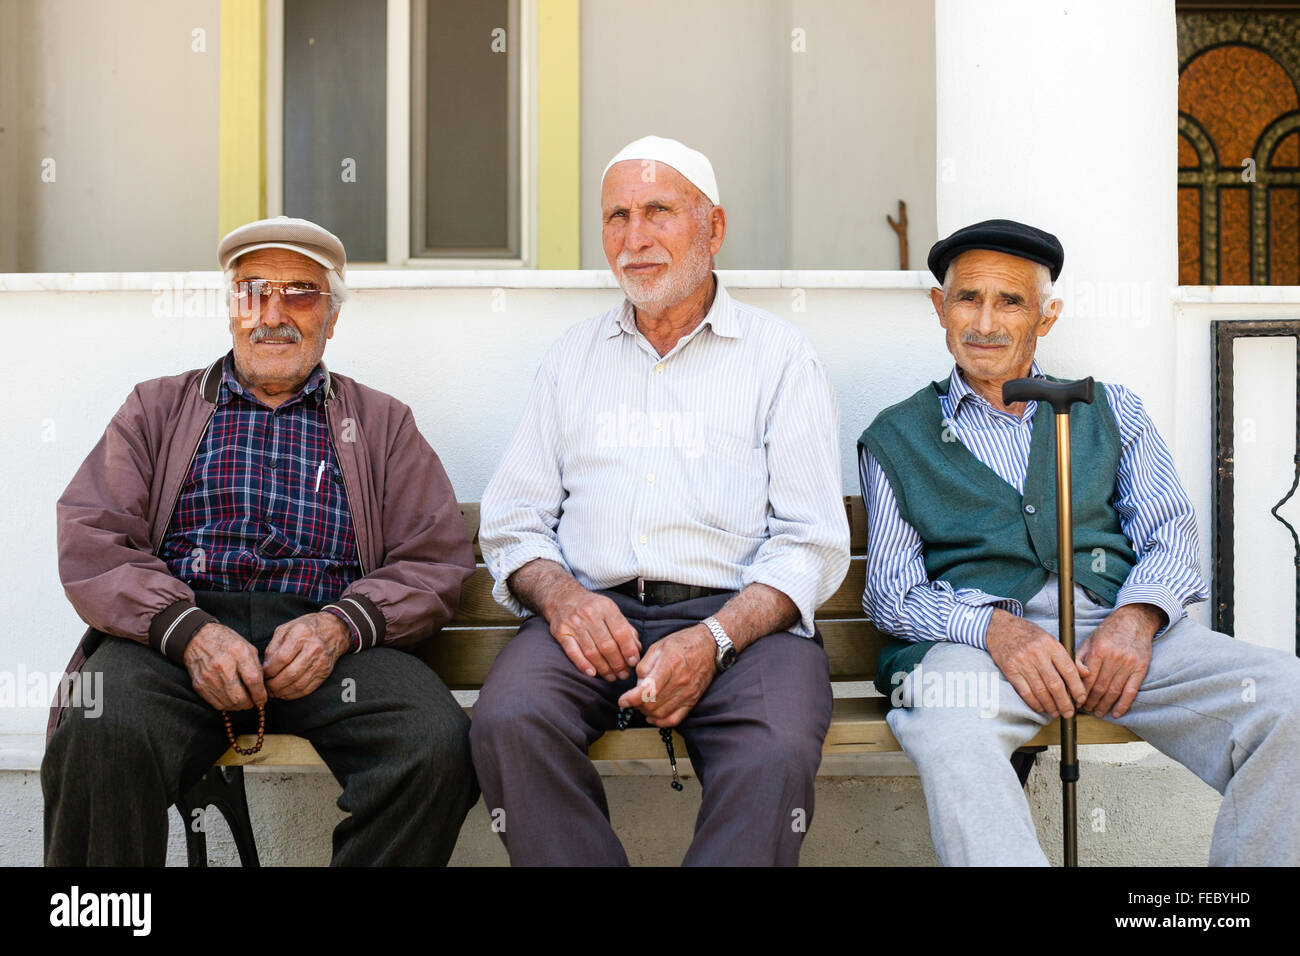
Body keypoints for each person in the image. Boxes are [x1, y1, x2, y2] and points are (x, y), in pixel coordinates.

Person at [858, 218, 1300, 865]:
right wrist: (997, 631)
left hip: (1118, 638)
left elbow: (1170, 537)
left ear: (1047, 315)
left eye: (1010, 300)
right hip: (974, 646)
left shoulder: (1112, 409)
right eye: (967, 298)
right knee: (953, 730)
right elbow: (892, 593)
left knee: (1288, 698)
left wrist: (1136, 618)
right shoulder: (896, 435)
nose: (985, 320)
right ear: (939, 307)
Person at [42, 216, 479, 865]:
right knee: (101, 725)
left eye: (300, 292)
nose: (273, 313)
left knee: (434, 746)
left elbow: (434, 555)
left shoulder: (382, 424)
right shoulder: (157, 408)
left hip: (333, 642)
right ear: (231, 312)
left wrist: (338, 628)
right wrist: (189, 633)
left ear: (331, 316)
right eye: (253, 292)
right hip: (178, 634)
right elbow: (93, 534)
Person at [471, 136, 850, 865]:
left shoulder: (780, 357)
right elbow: (514, 519)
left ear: (714, 227)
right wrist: (564, 601)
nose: (634, 239)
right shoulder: (573, 359)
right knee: (509, 721)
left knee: (772, 753)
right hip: (592, 618)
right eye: (616, 216)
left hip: (744, 623)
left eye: (658, 212)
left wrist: (713, 640)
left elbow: (810, 542)